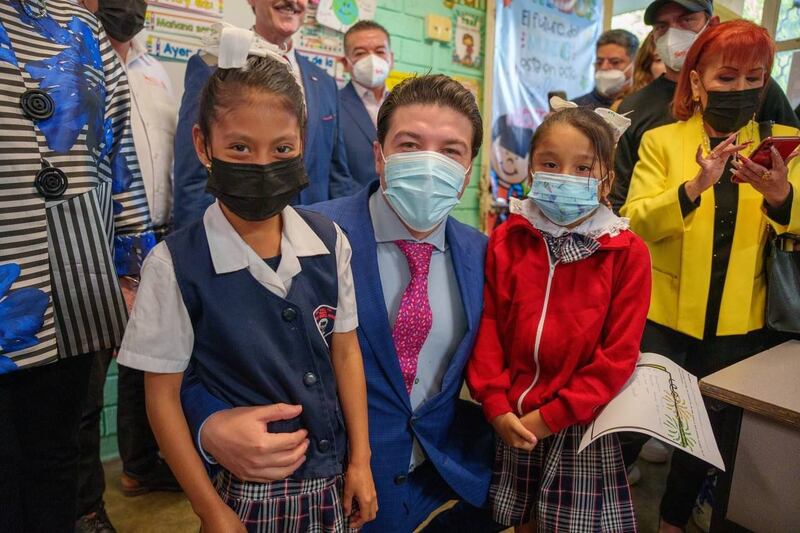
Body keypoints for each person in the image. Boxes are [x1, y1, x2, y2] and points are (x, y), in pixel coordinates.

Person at [182, 74, 501, 532]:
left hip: (444, 481)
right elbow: (193, 362)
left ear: (469, 169)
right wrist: (209, 425)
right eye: (409, 145)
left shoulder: (483, 254)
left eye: (450, 151)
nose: (429, 163)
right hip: (324, 490)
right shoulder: (301, 237)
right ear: (379, 154)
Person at [117, 47, 377, 532]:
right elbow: (162, 398)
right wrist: (209, 510)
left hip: (331, 480)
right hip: (238, 494)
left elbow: (345, 351)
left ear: (302, 142)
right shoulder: (173, 264)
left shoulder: (329, 241)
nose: (261, 165)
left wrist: (360, 460)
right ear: (203, 145)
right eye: (240, 148)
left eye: (281, 149)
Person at [620, 20, 800, 533]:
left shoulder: (783, 143)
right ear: (696, 82)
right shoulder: (662, 142)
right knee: (637, 419)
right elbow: (635, 221)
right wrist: (695, 185)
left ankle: (675, 519)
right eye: (726, 77)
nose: (739, 90)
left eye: (753, 79)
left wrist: (781, 195)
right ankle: (603, 502)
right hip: (665, 313)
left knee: (707, 431)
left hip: (742, 318)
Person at [0, 1, 154, 531]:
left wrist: (134, 272)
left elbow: (119, 157)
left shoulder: (80, 27)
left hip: (73, 281)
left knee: (57, 462)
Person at [467, 107, 652, 532]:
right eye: (550, 164)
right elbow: (489, 326)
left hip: (577, 423)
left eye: (583, 167)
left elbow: (618, 356)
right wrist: (494, 404)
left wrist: (551, 417)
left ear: (606, 180)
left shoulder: (626, 253)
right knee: (518, 519)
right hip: (510, 414)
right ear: (530, 169)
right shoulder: (507, 239)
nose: (564, 175)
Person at [74, 1, 180, 531]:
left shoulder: (154, 67)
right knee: (87, 378)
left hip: (157, 234)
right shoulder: (69, 55)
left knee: (149, 363)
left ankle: (141, 466)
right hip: (89, 241)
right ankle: (84, 505)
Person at [172, 0, 354, 230]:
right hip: (232, 235)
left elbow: (338, 175)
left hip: (312, 237)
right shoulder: (213, 65)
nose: (292, 2)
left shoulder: (324, 82)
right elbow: (192, 176)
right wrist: (194, 248)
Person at [610, 0, 800, 213]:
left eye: (687, 19)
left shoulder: (761, 91)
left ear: (712, 23)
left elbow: (789, 157)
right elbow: (622, 200)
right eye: (662, 26)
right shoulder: (636, 108)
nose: (673, 35)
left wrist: (781, 197)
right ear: (695, 83)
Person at [339, 20, 393, 189]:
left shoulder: (407, 107)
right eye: (361, 53)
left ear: (391, 59)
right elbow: (334, 175)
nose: (372, 59)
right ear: (346, 63)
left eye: (380, 51)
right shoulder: (332, 105)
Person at [572, 29, 639, 110]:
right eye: (599, 62)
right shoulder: (575, 108)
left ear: (634, 63)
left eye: (615, 62)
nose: (604, 67)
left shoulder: (643, 106)